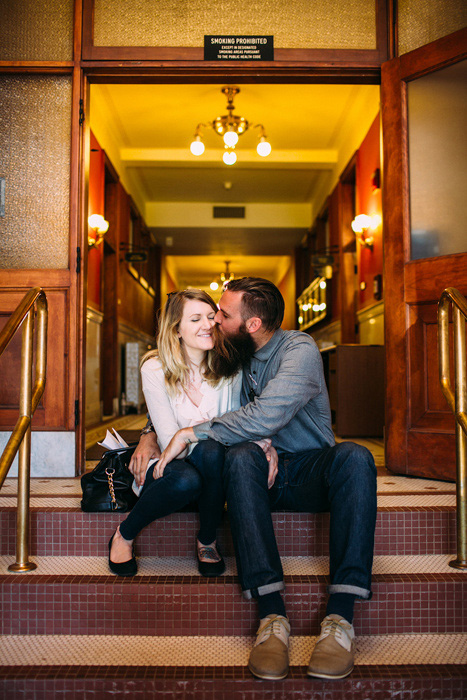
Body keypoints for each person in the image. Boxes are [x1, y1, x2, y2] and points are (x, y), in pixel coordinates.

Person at [137, 277, 377, 682]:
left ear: (252, 324)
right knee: (243, 455)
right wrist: (148, 432)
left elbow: (269, 413)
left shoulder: (298, 349)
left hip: (305, 471)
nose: (214, 322)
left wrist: (190, 434)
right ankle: (271, 616)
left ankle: (341, 618)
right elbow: (186, 378)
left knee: (356, 456)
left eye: (223, 315)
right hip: (255, 476)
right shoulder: (235, 351)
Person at [109, 288, 243, 578]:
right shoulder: (155, 368)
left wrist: (193, 435)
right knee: (186, 479)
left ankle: (207, 540)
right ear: (176, 330)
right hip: (175, 469)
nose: (207, 324)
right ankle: (125, 534)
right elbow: (175, 445)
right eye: (195, 319)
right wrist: (168, 436)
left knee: (211, 451)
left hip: (216, 467)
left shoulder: (230, 366)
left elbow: (233, 430)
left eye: (211, 316)